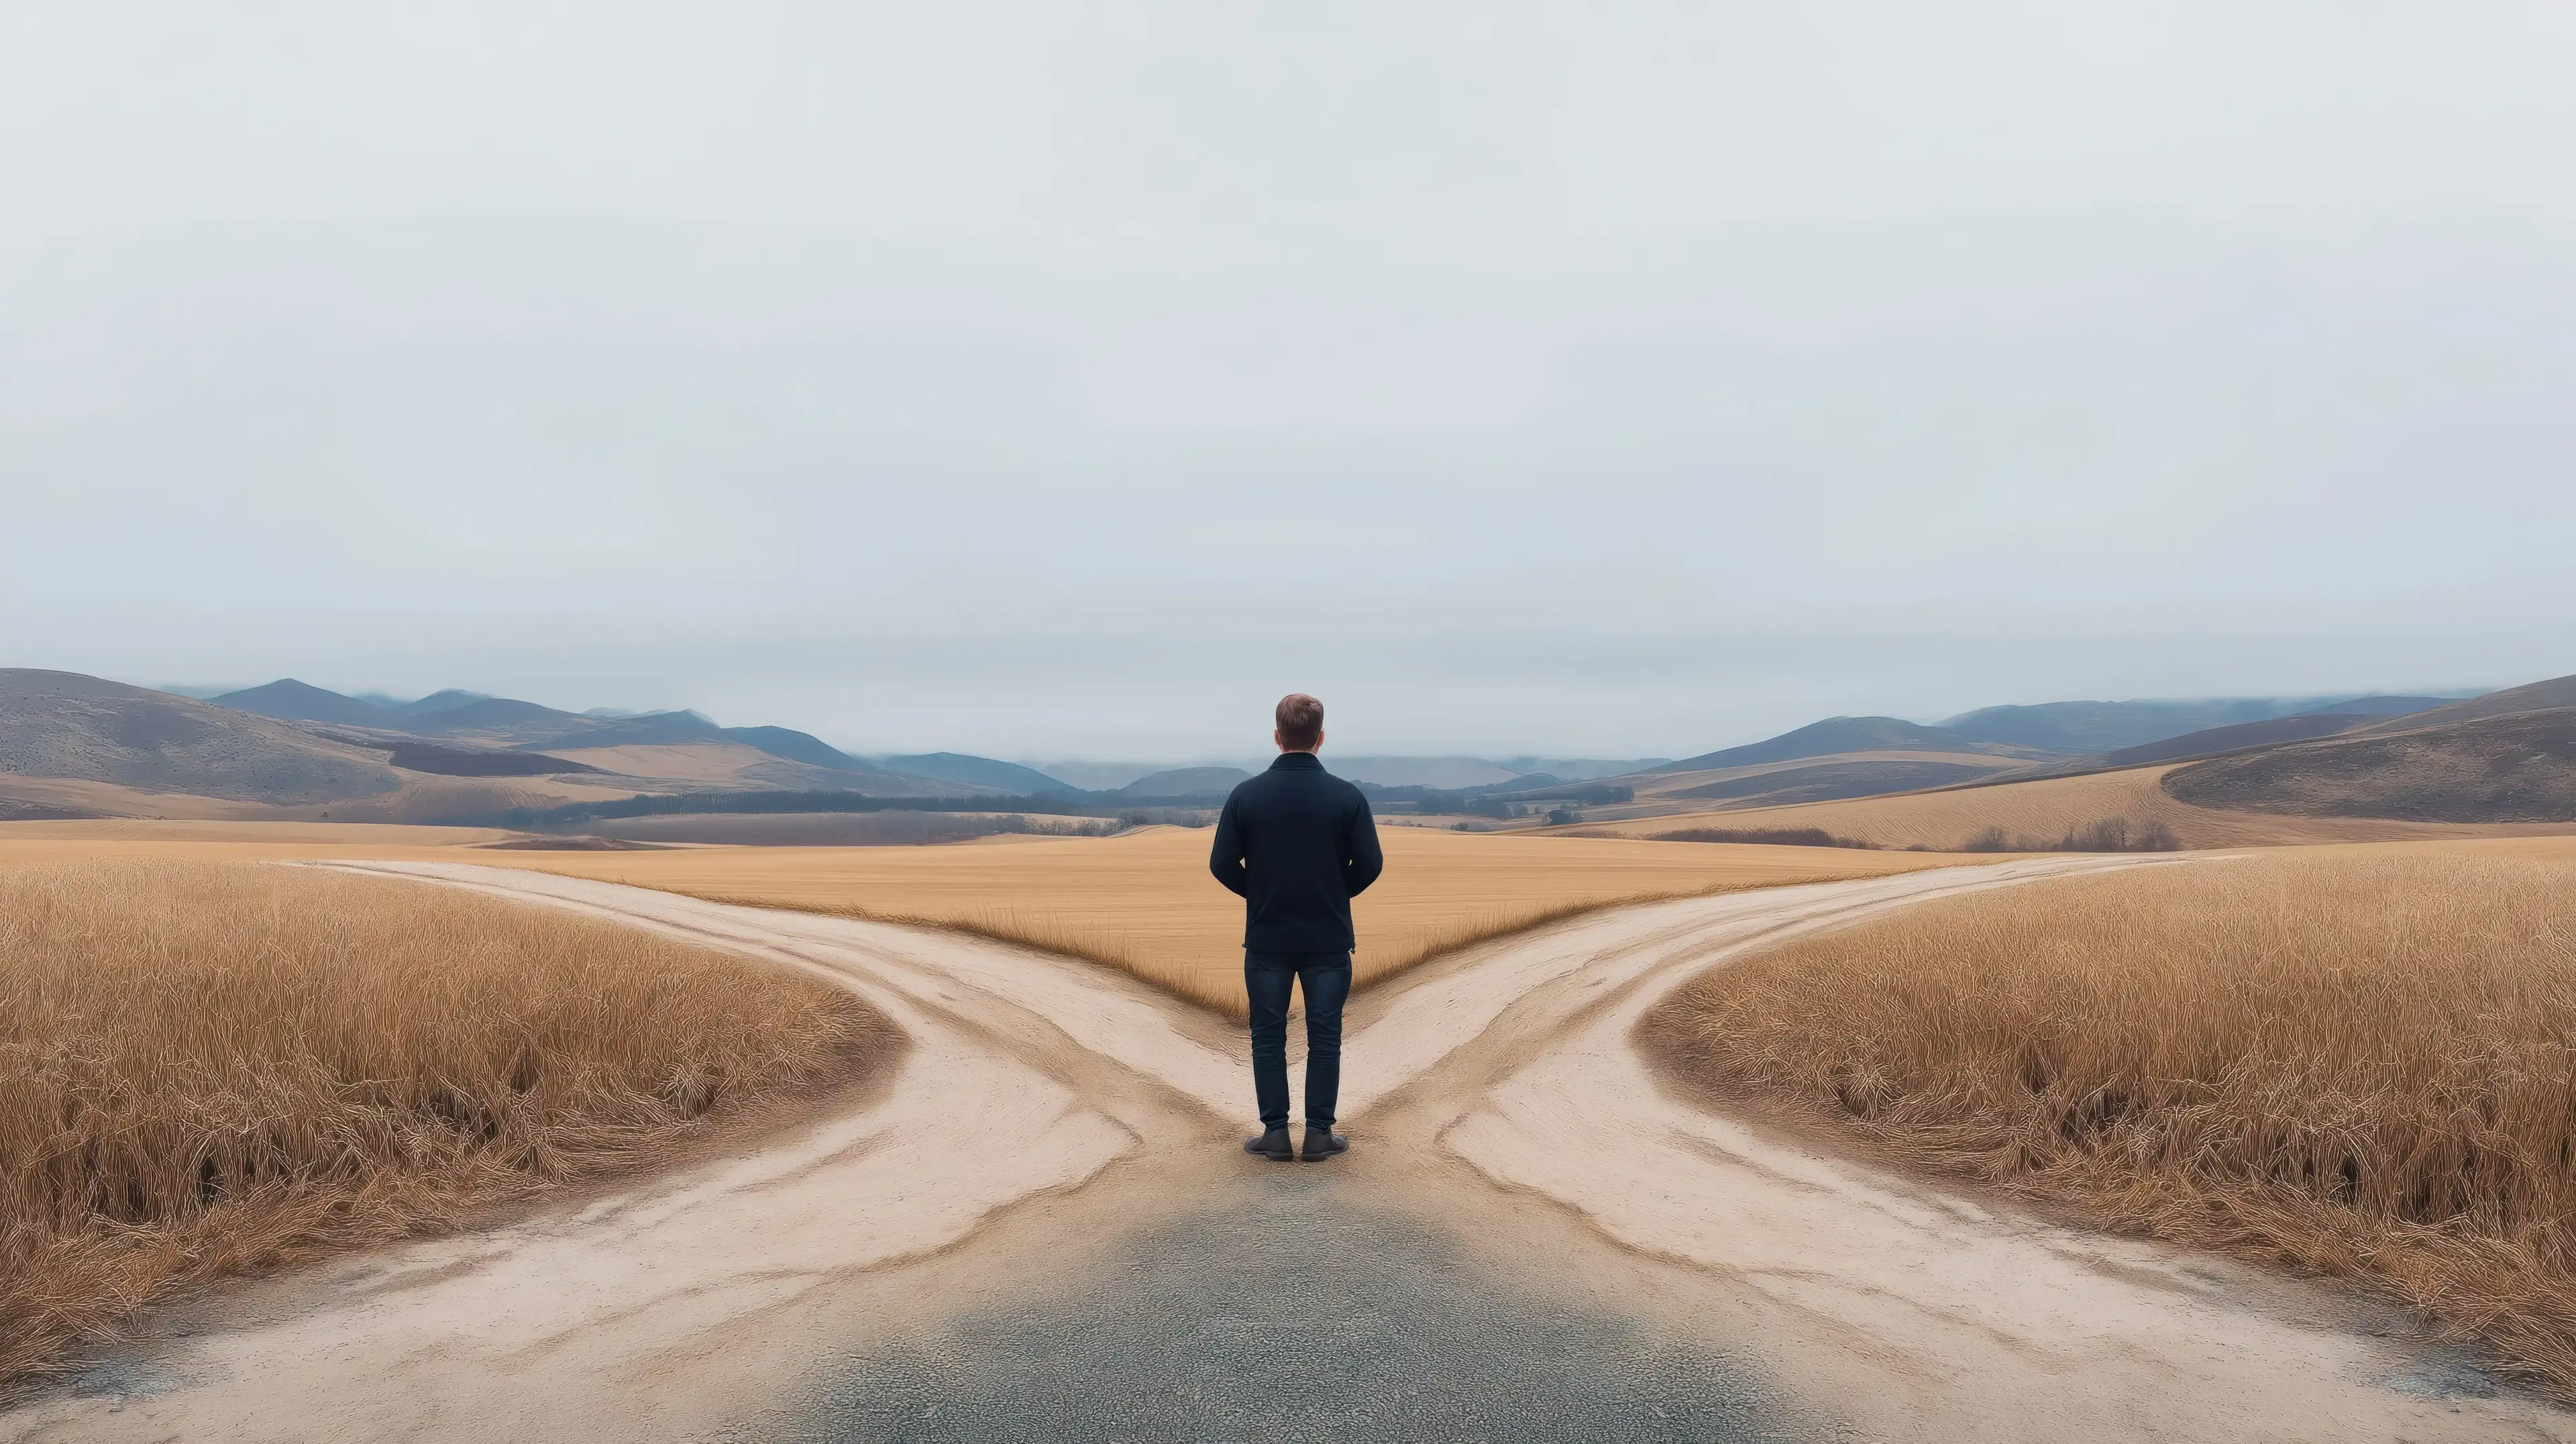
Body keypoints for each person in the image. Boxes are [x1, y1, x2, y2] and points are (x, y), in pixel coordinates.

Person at [1209, 692, 1384, 1162]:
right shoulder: (1347, 797)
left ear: (1277, 736)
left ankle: (1276, 1134)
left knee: (1268, 1037)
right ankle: (1319, 1135)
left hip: (1268, 938)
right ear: (1321, 738)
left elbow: (1221, 863)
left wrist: (1262, 893)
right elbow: (1371, 864)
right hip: (1328, 938)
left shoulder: (1246, 796)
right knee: (1325, 1037)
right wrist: (1333, 894)